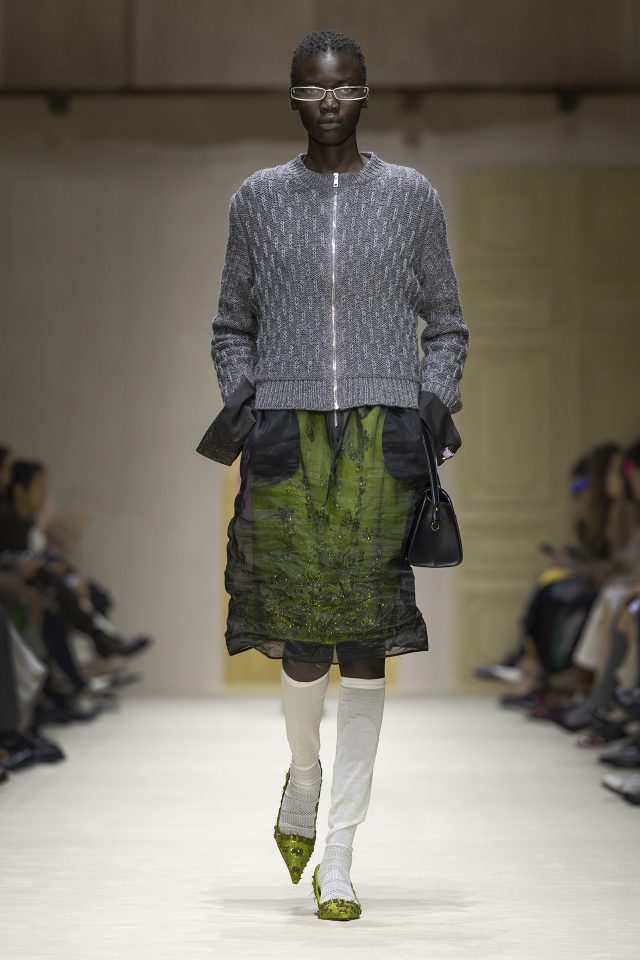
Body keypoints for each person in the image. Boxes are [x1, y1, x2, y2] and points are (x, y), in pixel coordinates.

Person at [208, 29, 469, 921]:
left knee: (364, 644)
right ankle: (304, 774)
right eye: (315, 89)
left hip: (381, 436)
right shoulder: (256, 199)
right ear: (293, 96)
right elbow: (230, 322)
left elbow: (447, 321)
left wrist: (430, 405)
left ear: (366, 95)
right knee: (297, 639)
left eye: (346, 88)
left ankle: (343, 857)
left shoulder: (410, 197)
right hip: (284, 435)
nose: (330, 103)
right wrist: (246, 399)